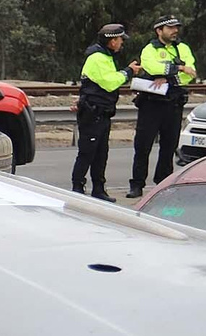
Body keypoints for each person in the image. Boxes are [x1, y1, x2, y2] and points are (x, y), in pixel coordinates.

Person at [129, 14, 197, 199]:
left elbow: (191, 73)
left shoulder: (183, 48)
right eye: (170, 28)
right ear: (159, 31)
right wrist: (179, 68)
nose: (175, 31)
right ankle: (136, 184)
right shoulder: (149, 49)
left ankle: (163, 183)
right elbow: (152, 68)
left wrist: (167, 75)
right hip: (151, 104)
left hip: (173, 104)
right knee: (142, 146)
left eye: (176, 27)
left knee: (169, 147)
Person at [70, 24, 141, 201]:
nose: (122, 43)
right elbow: (110, 82)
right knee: (87, 153)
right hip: (92, 114)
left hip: (103, 113)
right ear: (112, 40)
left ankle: (99, 189)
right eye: (120, 39)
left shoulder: (106, 57)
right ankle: (77, 188)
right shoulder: (97, 58)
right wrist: (129, 71)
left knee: (101, 154)